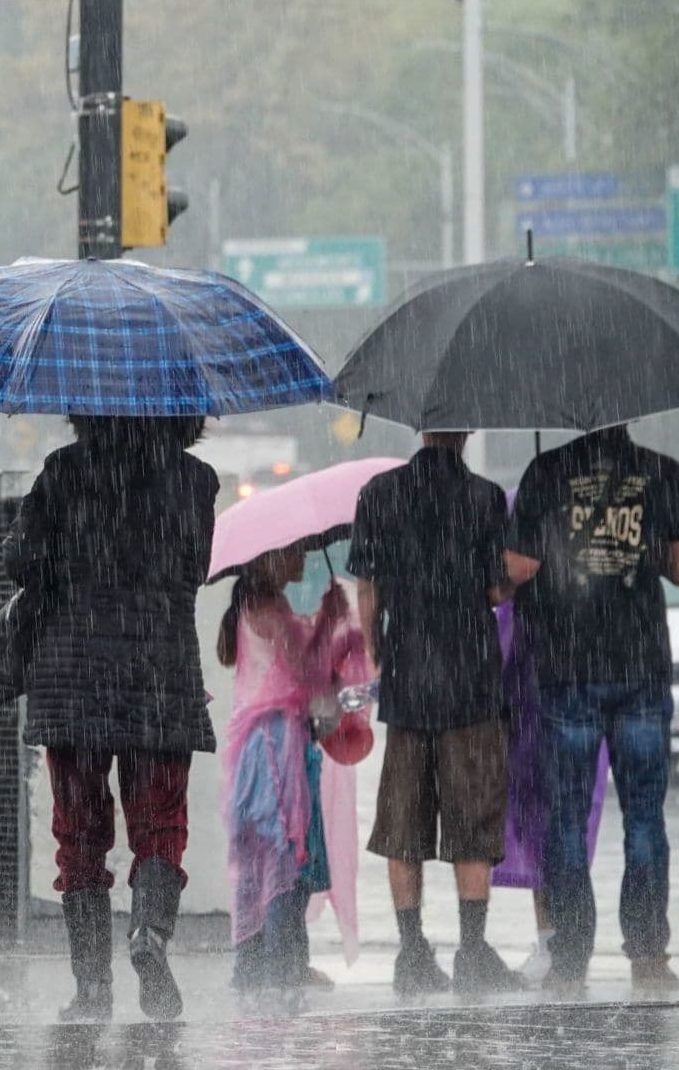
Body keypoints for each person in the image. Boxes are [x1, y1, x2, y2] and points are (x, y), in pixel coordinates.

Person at [5, 414, 217, 1024]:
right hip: (160, 670)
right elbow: (194, 571)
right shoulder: (196, 480)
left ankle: (92, 988)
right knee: (159, 822)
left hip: (74, 675)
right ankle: (149, 935)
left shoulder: (64, 472)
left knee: (80, 835)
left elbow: (23, 563)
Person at [505, 424, 679, 997]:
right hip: (639, 668)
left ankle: (570, 956)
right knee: (644, 818)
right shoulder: (665, 472)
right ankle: (646, 957)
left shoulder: (545, 473)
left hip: (567, 669)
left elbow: (518, 567)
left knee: (565, 818)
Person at [345, 430, 525, 996]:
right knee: (472, 816)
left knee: (404, 819)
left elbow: (368, 587)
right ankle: (472, 950)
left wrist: (376, 652)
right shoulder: (485, 497)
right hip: (470, 676)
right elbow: (497, 592)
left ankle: (411, 951)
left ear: (420, 428)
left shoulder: (379, 493)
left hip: (408, 675)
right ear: (466, 433)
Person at [217, 548, 371, 1005]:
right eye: (292, 552)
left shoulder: (263, 605)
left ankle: (262, 963)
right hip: (273, 750)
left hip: (265, 746)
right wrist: (330, 621)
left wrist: (328, 623)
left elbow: (303, 663)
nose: (300, 557)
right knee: (285, 850)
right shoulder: (266, 608)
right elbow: (305, 670)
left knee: (265, 854)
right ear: (267, 561)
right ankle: (280, 965)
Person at [491, 585, 607, 982]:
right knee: (547, 814)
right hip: (538, 678)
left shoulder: (533, 529)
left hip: (548, 678)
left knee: (555, 813)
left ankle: (562, 942)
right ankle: (560, 942)